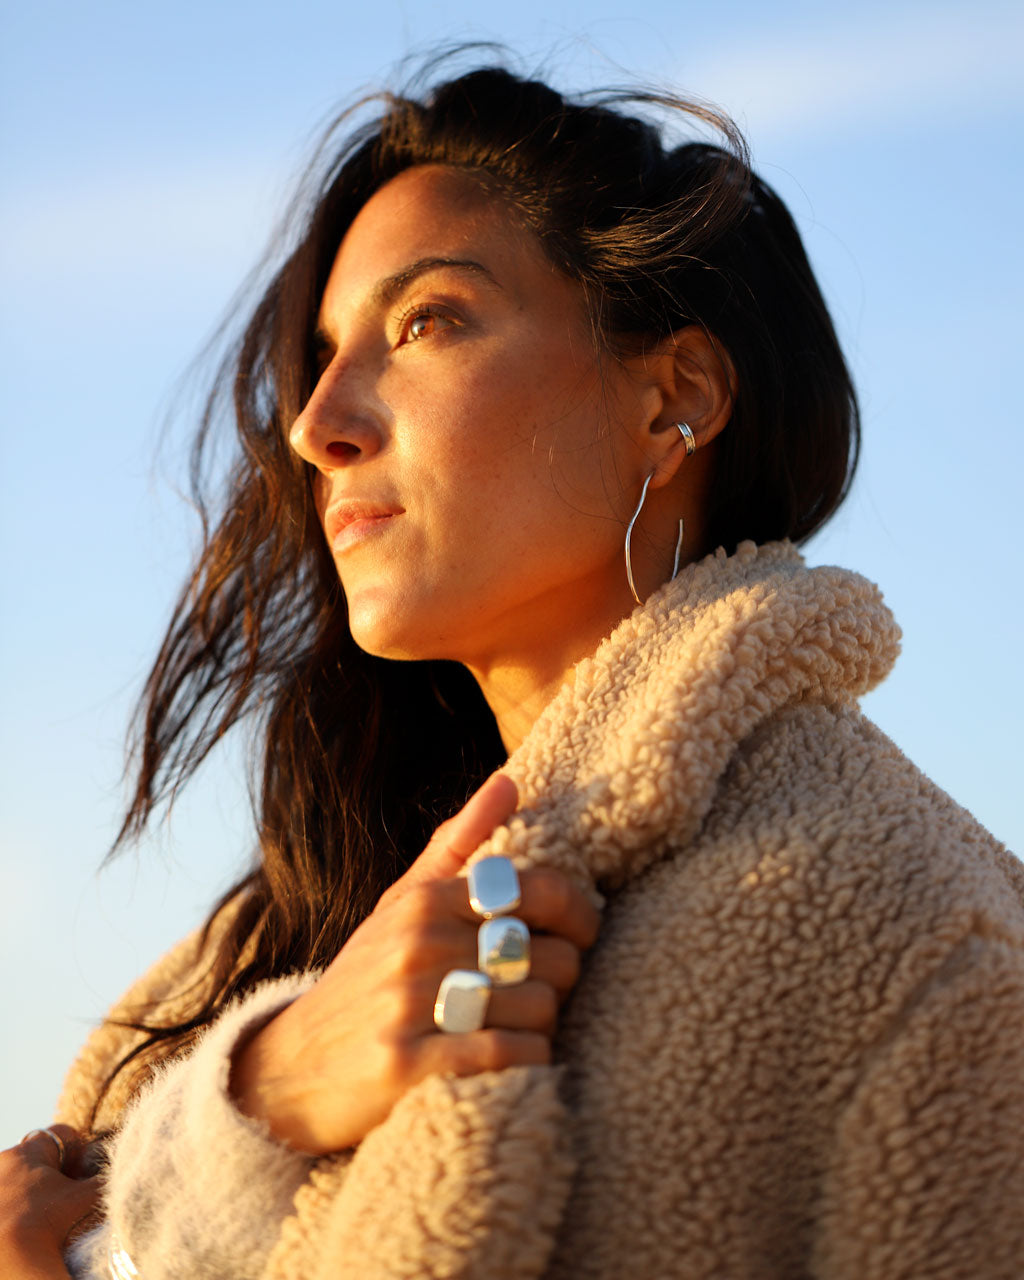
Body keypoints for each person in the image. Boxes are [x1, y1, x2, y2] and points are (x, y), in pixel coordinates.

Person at [3, 59, 1023, 1280]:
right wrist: (263, 1090)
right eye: (326, 352)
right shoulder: (262, 953)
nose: (317, 421)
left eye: (427, 320)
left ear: (672, 398)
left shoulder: (916, 943)